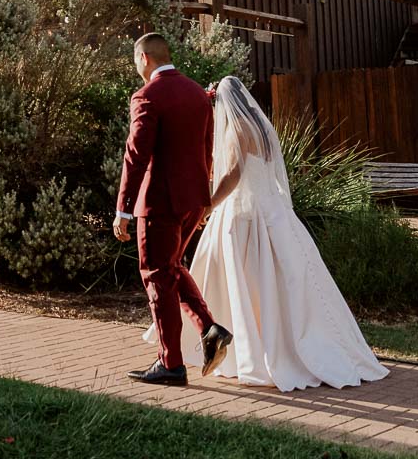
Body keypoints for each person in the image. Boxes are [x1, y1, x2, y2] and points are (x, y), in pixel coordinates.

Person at [148, 76, 388, 391]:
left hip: (245, 215)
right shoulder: (263, 129)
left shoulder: (237, 129)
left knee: (239, 280)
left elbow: (233, 175)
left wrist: (208, 206)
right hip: (274, 211)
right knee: (280, 283)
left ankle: (239, 344)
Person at [114, 32, 233, 386]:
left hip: (160, 203)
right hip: (194, 200)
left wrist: (124, 208)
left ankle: (171, 364)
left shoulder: (147, 96)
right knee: (171, 268)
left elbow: (136, 156)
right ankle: (209, 329)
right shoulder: (198, 94)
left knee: (155, 275)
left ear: (144, 58)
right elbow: (207, 149)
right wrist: (205, 198)